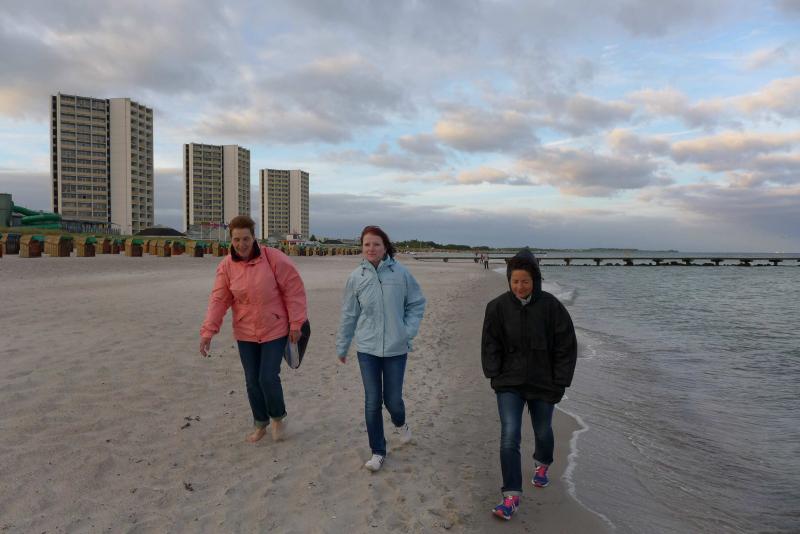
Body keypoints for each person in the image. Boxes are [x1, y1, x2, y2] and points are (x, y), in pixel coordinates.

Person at [481, 248, 577, 520]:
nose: (520, 286)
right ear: (509, 280)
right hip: (509, 382)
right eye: (515, 281)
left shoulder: (551, 307)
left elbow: (566, 346)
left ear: (535, 280)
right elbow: (490, 343)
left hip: (544, 383)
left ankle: (542, 463)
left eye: (525, 281)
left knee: (542, 430)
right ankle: (511, 495)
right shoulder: (497, 307)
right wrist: (494, 374)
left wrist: (560, 381)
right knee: (509, 434)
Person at [199, 215, 307, 444]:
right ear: (231, 240)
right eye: (236, 239)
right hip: (245, 332)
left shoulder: (273, 258)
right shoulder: (226, 266)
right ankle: (260, 423)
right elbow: (219, 300)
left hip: (275, 328)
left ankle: (277, 418)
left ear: (254, 237)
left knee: (267, 377)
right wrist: (208, 332)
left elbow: (293, 290)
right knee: (252, 380)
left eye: (246, 239)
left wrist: (296, 323)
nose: (241, 244)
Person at [336, 225, 426, 472]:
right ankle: (377, 451)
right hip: (367, 349)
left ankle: (401, 423)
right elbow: (349, 315)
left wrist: (406, 332)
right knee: (372, 400)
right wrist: (343, 345)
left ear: (385, 247)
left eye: (376, 244)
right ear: (362, 248)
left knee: (393, 400)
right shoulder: (356, 277)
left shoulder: (401, 274)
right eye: (367, 244)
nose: (371, 248)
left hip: (397, 348)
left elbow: (417, 303)